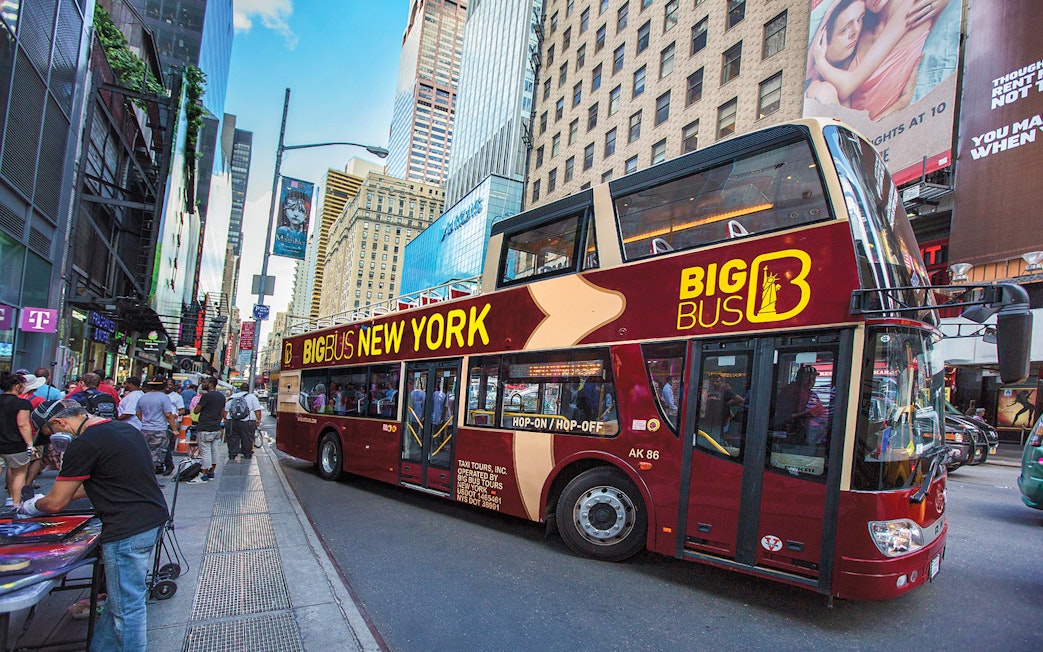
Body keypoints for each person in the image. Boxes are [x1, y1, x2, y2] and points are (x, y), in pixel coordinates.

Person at [21, 399, 169, 651]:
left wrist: (33, 506)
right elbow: (96, 483)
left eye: (51, 435)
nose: (54, 445)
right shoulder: (125, 430)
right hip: (150, 519)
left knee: (128, 609)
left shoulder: (85, 443)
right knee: (121, 603)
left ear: (59, 422)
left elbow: (56, 503)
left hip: (126, 529)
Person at [807, 0, 948, 120]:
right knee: (820, 89)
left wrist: (821, 63)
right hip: (860, 131)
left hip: (876, 135)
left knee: (822, 90)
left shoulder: (908, 6)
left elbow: (846, 87)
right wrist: (832, 8)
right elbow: (808, 70)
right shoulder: (863, 28)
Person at [0, 372, 36, 507]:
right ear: (16, 386)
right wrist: (30, 444)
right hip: (15, 444)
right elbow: (23, 424)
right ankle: (15, 503)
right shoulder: (22, 403)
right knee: (19, 474)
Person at [136, 376, 176, 474]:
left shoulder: (143, 397)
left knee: (146, 453)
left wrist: (144, 421)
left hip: (145, 429)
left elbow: (138, 413)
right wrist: (174, 429)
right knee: (157, 456)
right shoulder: (164, 398)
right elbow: (168, 414)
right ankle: (152, 477)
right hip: (159, 428)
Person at [190, 377, 225, 482]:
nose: (202, 384)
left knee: (205, 452)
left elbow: (196, 410)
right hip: (216, 427)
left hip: (205, 426)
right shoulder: (221, 397)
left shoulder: (206, 396)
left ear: (210, 384)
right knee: (214, 451)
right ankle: (211, 472)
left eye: (204, 382)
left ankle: (203, 474)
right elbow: (222, 412)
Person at [224, 382, 261, 462]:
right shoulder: (252, 397)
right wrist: (258, 420)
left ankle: (232, 455)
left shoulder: (232, 397)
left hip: (232, 421)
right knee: (247, 438)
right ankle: (247, 454)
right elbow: (257, 410)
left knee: (232, 438)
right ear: (248, 389)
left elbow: (226, 410)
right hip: (247, 421)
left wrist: (225, 419)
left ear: (240, 389)